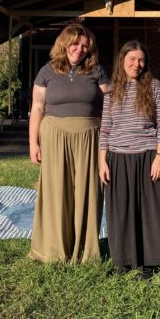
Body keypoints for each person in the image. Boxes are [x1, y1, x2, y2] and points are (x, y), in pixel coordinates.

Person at [29, 23, 110, 262]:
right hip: (54, 136)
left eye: (85, 45)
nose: (80, 49)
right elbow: (37, 107)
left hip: (89, 137)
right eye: (75, 43)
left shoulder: (97, 71)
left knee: (89, 191)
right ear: (64, 44)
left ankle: (86, 249)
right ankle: (54, 249)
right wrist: (34, 143)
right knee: (57, 192)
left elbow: (114, 103)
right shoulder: (46, 71)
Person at [99, 40, 160, 278]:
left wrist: (159, 156)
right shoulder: (112, 90)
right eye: (132, 59)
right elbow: (105, 128)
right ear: (122, 61)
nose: (137, 64)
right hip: (118, 158)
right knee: (121, 212)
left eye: (141, 60)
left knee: (149, 212)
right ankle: (123, 262)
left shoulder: (154, 87)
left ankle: (150, 263)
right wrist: (102, 160)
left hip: (148, 156)